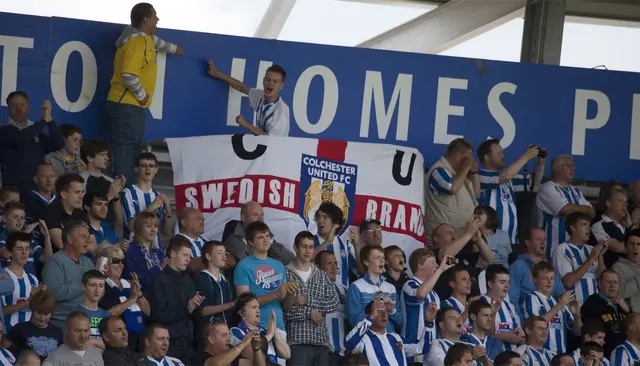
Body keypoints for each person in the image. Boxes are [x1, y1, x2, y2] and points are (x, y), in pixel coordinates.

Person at [105, 3, 182, 183]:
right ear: (146, 19)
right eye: (155, 16)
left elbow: (156, 42)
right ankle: (123, 198)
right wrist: (142, 97)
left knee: (132, 153)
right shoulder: (136, 42)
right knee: (126, 154)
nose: (158, 20)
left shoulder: (143, 38)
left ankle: (128, 196)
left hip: (130, 108)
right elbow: (129, 75)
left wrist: (172, 48)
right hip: (128, 106)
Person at [283, 231, 339, 365]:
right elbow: (284, 309)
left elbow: (334, 302)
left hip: (321, 341)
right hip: (297, 341)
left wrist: (307, 300)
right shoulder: (285, 273)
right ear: (295, 248)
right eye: (304, 246)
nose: (308, 251)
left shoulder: (321, 274)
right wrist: (310, 312)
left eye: (311, 247)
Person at [476, 140, 546, 245]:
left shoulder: (510, 179)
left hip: (511, 241)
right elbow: (503, 177)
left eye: (503, 153)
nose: (503, 156)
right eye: (499, 153)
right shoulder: (480, 175)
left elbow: (534, 182)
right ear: (486, 157)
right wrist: (526, 156)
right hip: (489, 240)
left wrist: (540, 162)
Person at [148, 235, 203, 364]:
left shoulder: (189, 280)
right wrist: (186, 309)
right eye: (185, 255)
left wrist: (196, 307)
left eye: (189, 256)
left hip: (189, 344)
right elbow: (157, 315)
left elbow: (194, 314)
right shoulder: (159, 280)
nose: (188, 260)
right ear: (173, 253)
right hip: (168, 345)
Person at [234, 221, 291, 339]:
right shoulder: (243, 266)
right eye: (260, 237)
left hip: (279, 326)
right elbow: (244, 303)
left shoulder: (278, 265)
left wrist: (291, 295)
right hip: (254, 328)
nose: (266, 240)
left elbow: (285, 305)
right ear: (250, 242)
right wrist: (276, 294)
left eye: (268, 236)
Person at [0, 93, 63, 195]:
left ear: (29, 108)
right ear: (8, 109)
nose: (18, 109)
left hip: (36, 190)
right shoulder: (4, 131)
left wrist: (50, 121)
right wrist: (43, 121)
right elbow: (22, 137)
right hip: (12, 192)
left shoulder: (37, 132)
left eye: (22, 105)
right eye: (14, 106)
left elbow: (58, 143)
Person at [207, 59, 290, 136]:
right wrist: (217, 74)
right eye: (268, 79)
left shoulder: (282, 110)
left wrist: (247, 125)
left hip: (274, 150)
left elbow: (272, 140)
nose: (270, 83)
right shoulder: (260, 96)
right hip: (261, 147)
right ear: (263, 80)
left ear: (281, 85)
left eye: (275, 81)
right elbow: (241, 87)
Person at [401, 249, 454, 363]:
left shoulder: (433, 293)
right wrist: (440, 270)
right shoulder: (409, 285)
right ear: (420, 265)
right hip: (413, 348)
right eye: (432, 262)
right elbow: (420, 294)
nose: (437, 265)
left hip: (431, 349)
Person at [536, 155, 594, 259]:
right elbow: (565, 210)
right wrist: (582, 209)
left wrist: (575, 209)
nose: (573, 168)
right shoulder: (547, 188)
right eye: (569, 165)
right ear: (557, 169)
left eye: (573, 166)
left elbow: (592, 212)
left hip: (575, 252)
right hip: (552, 251)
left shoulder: (575, 191)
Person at [424, 138, 479, 242]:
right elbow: (451, 188)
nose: (471, 161)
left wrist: (474, 173)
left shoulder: (460, 174)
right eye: (469, 158)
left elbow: (476, 195)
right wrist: (465, 166)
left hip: (463, 239)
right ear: (459, 156)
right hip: (443, 242)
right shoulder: (438, 170)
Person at [42, 220, 95, 329]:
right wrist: (84, 286)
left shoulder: (88, 262)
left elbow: (97, 295)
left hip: (88, 322)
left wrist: (100, 280)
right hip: (63, 324)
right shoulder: (55, 261)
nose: (88, 240)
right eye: (83, 236)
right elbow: (54, 293)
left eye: (88, 236)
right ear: (70, 239)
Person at [345, 299, 429, 366]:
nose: (384, 314)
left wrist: (429, 322)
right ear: (370, 314)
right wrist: (370, 318)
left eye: (385, 311)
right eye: (379, 311)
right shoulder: (363, 340)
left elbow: (422, 348)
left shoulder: (395, 337)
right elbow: (349, 343)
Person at [98, 245, 149, 352]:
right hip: (118, 344)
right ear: (105, 263)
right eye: (116, 261)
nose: (120, 265)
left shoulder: (128, 284)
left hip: (139, 341)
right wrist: (131, 299)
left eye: (122, 261)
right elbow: (107, 314)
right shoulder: (102, 287)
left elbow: (147, 311)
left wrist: (138, 294)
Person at [523, 262, 581, 355]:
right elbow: (535, 324)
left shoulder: (558, 301)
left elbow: (577, 332)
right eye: (545, 278)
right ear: (535, 279)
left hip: (561, 355)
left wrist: (577, 316)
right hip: (540, 353)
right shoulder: (532, 298)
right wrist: (559, 306)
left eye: (552, 278)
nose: (549, 282)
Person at [509, 227, 566, 321]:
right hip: (530, 321)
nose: (543, 242)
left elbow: (560, 293)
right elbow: (512, 300)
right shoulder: (518, 266)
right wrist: (520, 323)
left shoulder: (550, 267)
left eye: (544, 239)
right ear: (527, 243)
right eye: (538, 239)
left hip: (554, 321)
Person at [553, 212, 606, 306]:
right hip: (575, 308)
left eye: (589, 225)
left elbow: (603, 280)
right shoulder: (562, 249)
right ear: (572, 228)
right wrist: (590, 260)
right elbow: (568, 282)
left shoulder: (591, 249)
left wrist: (600, 257)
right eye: (584, 224)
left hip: (594, 308)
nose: (588, 228)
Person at [347, 245, 402, 333]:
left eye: (383, 258)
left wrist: (392, 311)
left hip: (388, 341)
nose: (381, 261)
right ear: (366, 262)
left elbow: (401, 323)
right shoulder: (356, 287)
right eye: (377, 257)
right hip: (368, 342)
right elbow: (354, 322)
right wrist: (373, 307)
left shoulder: (391, 288)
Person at [223, 201, 294, 269]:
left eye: (262, 215)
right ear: (243, 218)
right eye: (255, 215)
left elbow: (290, 259)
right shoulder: (233, 237)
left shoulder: (262, 233)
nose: (260, 220)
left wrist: (270, 240)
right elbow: (253, 265)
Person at [193, 240, 235, 353]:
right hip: (207, 333)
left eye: (225, 253)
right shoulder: (202, 278)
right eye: (219, 252)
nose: (224, 256)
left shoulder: (225, 280)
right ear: (208, 256)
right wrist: (230, 304)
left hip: (224, 333)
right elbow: (203, 310)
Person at [230, 293, 290, 364]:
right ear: (242, 313)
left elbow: (287, 354)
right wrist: (269, 335)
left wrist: (274, 331)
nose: (258, 310)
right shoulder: (235, 331)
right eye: (254, 307)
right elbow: (252, 353)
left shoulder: (264, 331)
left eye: (258, 307)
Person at [3, 290, 63, 362]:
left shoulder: (57, 332)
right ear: (32, 310)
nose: (42, 318)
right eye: (39, 313)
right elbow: (3, 350)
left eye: (46, 314)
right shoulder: (19, 328)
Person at [1, 232, 44, 331]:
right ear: (10, 251)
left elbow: (36, 311)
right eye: (19, 249)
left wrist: (39, 296)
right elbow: (2, 311)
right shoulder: (3, 278)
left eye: (27, 248)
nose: (24, 253)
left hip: (28, 334)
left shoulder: (33, 279)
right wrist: (26, 302)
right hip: (7, 333)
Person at [580, 269, 627, 357]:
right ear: (599, 284)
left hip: (624, 356)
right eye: (608, 282)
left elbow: (634, 328)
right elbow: (591, 334)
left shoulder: (622, 304)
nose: (612, 285)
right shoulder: (591, 304)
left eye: (615, 282)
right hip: (603, 357)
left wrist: (627, 310)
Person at [312, 202, 360, 288]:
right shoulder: (310, 241)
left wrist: (356, 246)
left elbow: (361, 271)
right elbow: (304, 261)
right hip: (317, 295)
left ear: (336, 224)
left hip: (343, 298)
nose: (320, 220)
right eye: (318, 217)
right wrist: (327, 242)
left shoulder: (346, 245)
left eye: (325, 217)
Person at [79, 139, 125, 226]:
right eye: (103, 154)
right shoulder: (80, 179)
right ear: (90, 158)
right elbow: (80, 209)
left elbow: (119, 216)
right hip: (90, 229)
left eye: (107, 155)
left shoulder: (110, 181)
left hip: (110, 230)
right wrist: (109, 196)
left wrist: (116, 196)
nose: (107, 158)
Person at [315, 250, 348, 365]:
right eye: (329, 263)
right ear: (318, 267)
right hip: (325, 352)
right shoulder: (313, 289)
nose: (334, 267)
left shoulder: (344, 289)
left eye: (335, 263)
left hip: (346, 353)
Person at [482, 265, 524, 353]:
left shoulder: (510, 307)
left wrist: (521, 335)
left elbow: (521, 336)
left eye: (508, 283)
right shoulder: (480, 303)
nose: (507, 286)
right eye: (502, 282)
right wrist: (503, 337)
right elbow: (480, 335)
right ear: (490, 284)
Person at [44, 173, 92, 251]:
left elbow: (92, 243)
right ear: (64, 194)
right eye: (77, 192)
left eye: (82, 192)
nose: (81, 197)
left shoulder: (81, 214)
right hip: (60, 261)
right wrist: (83, 242)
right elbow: (61, 244)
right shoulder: (52, 212)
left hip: (81, 260)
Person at [123, 211, 166, 288]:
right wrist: (159, 268)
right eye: (148, 226)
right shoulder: (130, 251)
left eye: (156, 226)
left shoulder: (159, 252)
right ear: (139, 228)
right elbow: (136, 279)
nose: (153, 230)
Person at [591, 187, 630, 268]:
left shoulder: (627, 227)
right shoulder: (599, 225)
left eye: (626, 202)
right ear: (608, 203)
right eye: (620, 201)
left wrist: (629, 225)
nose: (625, 205)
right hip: (611, 275)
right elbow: (618, 248)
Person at [76, 270, 111, 350]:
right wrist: (97, 342)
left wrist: (91, 342)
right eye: (92, 285)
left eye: (101, 286)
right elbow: (76, 345)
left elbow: (112, 345)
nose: (97, 290)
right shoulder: (76, 314)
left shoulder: (107, 315)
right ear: (83, 287)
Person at [612, 229, 640, 312]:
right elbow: (620, 292)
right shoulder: (617, 268)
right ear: (625, 246)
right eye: (631, 244)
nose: (635, 247)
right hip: (633, 319)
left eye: (639, 244)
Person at [176, 207, 208, 272]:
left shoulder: (206, 241)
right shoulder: (176, 243)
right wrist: (215, 259)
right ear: (184, 222)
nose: (202, 222)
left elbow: (231, 261)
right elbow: (191, 266)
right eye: (198, 219)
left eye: (203, 220)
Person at [442, 268, 474, 333]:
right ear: (452, 284)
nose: (469, 282)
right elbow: (453, 327)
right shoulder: (446, 304)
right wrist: (468, 309)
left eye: (469, 280)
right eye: (464, 279)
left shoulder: (470, 304)